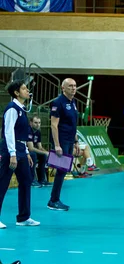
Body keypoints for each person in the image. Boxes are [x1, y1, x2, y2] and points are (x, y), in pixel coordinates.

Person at [0, 81, 40, 228]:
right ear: (16, 93)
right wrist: (12, 153)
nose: (27, 90)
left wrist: (27, 152)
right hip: (11, 149)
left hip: (22, 149)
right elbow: (8, 131)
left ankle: (23, 217)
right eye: (24, 88)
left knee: (26, 181)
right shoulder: (12, 109)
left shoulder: (22, 109)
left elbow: (21, 134)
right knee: (2, 183)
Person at [49, 78, 80, 211]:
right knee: (60, 171)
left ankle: (55, 199)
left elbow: (73, 123)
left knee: (63, 170)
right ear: (63, 88)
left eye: (75, 86)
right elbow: (54, 125)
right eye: (70, 86)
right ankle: (53, 200)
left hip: (69, 140)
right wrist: (57, 145)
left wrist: (76, 141)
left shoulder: (73, 102)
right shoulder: (58, 102)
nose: (73, 88)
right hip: (61, 140)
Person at [27, 115, 51, 187]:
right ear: (31, 123)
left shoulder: (38, 132)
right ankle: (31, 180)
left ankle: (42, 180)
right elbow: (31, 148)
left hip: (32, 152)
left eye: (39, 123)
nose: (38, 125)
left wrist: (48, 153)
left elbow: (40, 147)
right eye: (35, 123)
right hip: (25, 152)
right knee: (33, 155)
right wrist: (45, 152)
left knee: (43, 156)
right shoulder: (28, 131)